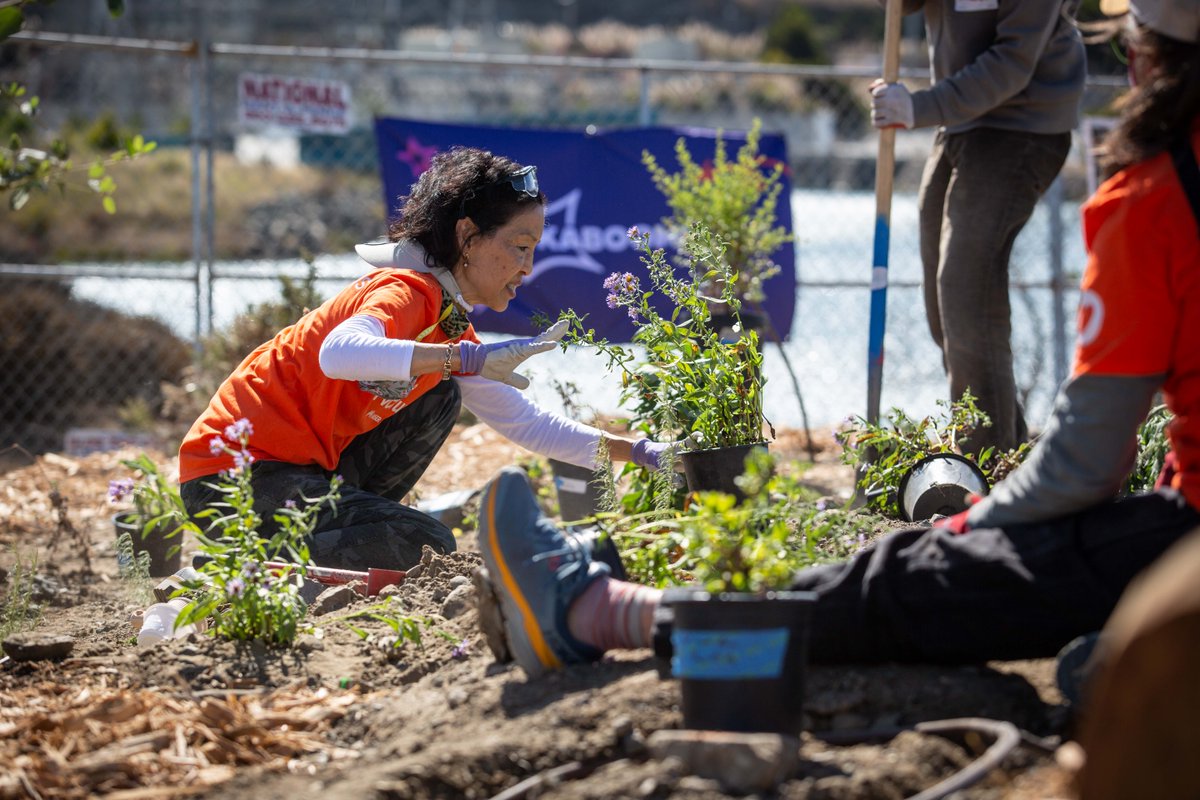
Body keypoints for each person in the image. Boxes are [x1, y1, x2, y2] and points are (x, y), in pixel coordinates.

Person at [473, 0, 1200, 677]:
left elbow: (1086, 466)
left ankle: (596, 617)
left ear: (1144, 59)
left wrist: (972, 528)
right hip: (1174, 516)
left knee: (904, 581)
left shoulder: (1153, 204)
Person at [177, 147, 677, 572]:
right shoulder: (404, 290)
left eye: (534, 250)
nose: (528, 267)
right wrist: (465, 359)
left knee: (440, 396)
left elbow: (526, 424)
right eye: (519, 246)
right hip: (232, 478)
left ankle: (288, 552)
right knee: (427, 544)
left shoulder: (447, 317)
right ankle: (247, 568)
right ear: (466, 237)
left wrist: (640, 452)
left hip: (299, 474)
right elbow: (339, 353)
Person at [869, 0, 1086, 454]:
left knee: (965, 286)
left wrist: (917, 106)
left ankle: (982, 460)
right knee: (943, 301)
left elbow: (1011, 62)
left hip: (1024, 126)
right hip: (962, 121)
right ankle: (1008, 449)